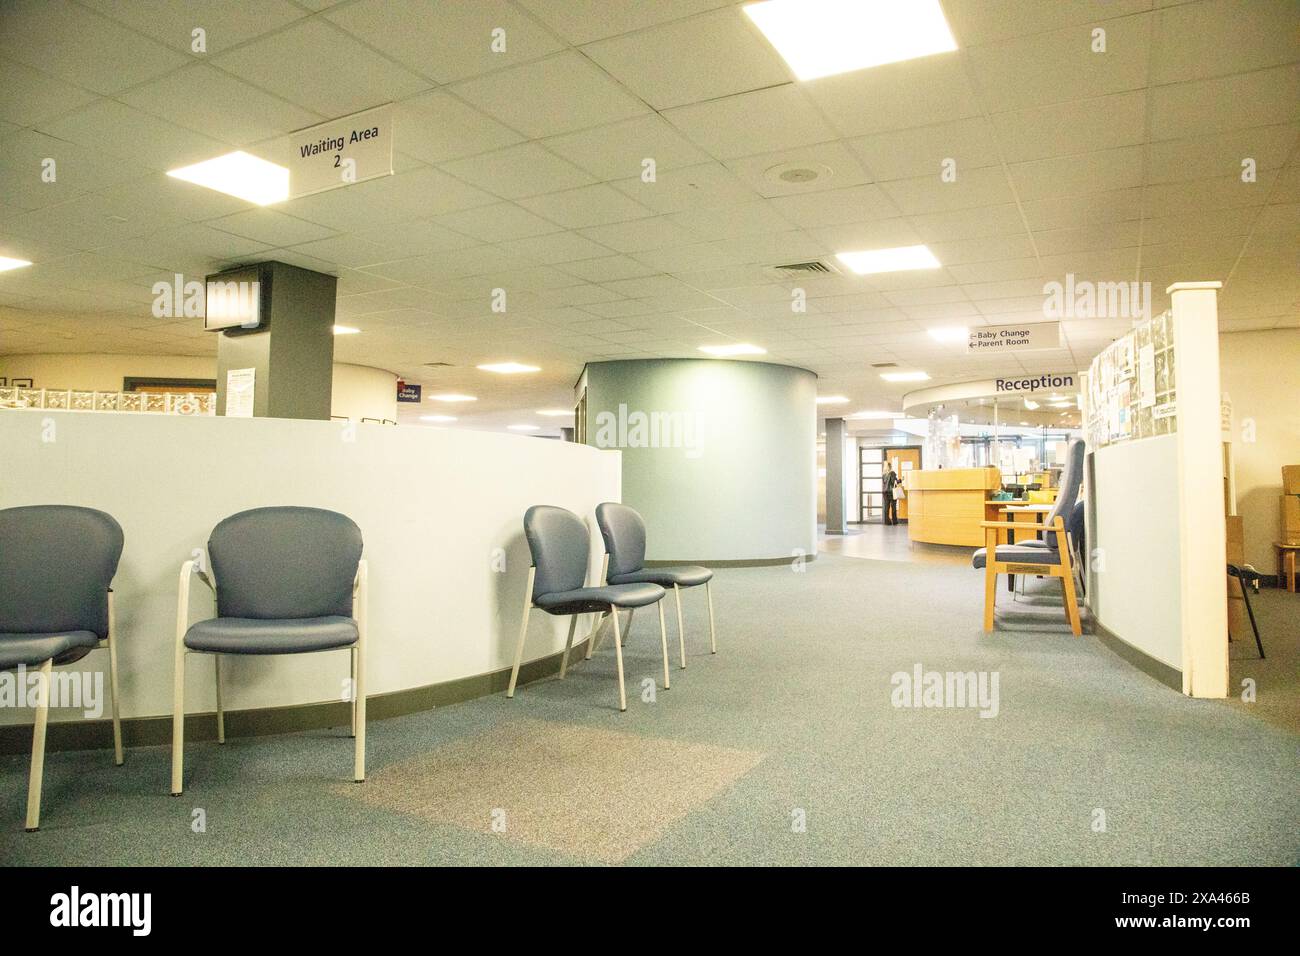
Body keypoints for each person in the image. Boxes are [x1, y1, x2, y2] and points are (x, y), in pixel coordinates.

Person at [883, 460, 901, 526]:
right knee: (893, 507)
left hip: (885, 492)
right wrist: (901, 480)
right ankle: (894, 521)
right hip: (891, 492)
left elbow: (884, 483)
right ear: (891, 467)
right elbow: (894, 482)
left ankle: (887, 522)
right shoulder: (892, 473)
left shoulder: (884, 474)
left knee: (886, 507)